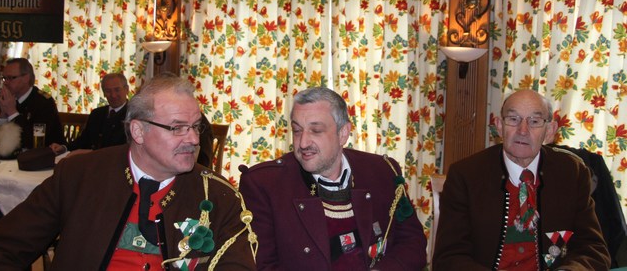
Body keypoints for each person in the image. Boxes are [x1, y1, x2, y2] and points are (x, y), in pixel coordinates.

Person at [0, 75, 257, 270]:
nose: (194, 139)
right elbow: (2, 248)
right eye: (177, 128)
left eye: (196, 127)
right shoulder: (79, 175)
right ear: (138, 131)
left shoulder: (218, 195)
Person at [239, 86, 427, 270]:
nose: (303, 143)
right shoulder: (264, 184)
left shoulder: (382, 171)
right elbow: (261, 265)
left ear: (343, 133)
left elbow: (413, 243)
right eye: (297, 130)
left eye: (316, 131)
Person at [432, 89, 610, 270]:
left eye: (534, 121)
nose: (523, 130)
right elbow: (449, 258)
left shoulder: (571, 173)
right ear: (499, 126)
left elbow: (593, 249)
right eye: (513, 119)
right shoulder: (466, 175)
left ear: (549, 131)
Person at [50, 72, 130, 154]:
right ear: (103, 93)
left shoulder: (133, 115)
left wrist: (90, 152)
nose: (113, 95)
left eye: (117, 90)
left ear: (127, 89)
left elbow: (124, 148)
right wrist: (64, 148)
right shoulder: (97, 113)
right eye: (108, 91)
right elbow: (83, 140)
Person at [0, 57, 64, 151]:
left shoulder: (43, 102)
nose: (6, 83)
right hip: (14, 155)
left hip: (46, 155)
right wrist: (3, 116)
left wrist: (12, 113)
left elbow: (32, 142)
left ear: (26, 78)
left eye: (11, 78)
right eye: (4, 78)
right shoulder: (7, 99)